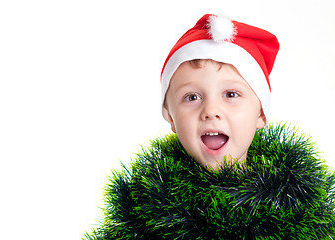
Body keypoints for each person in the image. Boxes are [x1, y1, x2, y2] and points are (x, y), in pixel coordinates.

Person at [84, 14, 335, 239]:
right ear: (171, 118)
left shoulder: (300, 208)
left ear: (260, 114)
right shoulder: (144, 208)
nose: (211, 111)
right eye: (192, 97)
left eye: (231, 94)